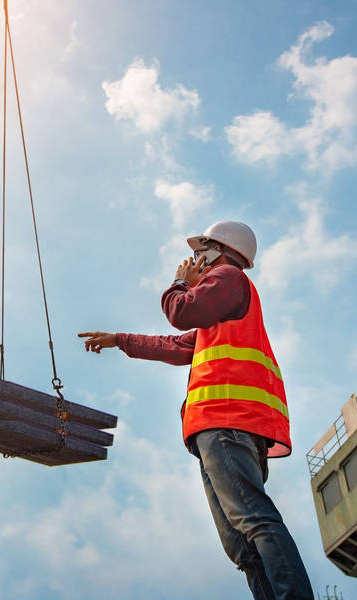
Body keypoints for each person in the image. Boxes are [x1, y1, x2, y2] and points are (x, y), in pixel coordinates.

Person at [79, 221, 313, 600]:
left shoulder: (227, 278)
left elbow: (181, 312)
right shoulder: (222, 306)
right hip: (219, 427)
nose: (193, 260)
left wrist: (181, 284)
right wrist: (120, 340)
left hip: (227, 421)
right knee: (241, 544)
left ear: (218, 250)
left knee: (253, 520)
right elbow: (177, 344)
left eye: (198, 252)